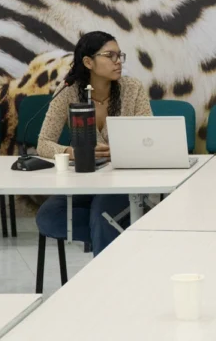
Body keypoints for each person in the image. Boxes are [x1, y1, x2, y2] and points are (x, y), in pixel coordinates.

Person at [35, 31, 152, 256]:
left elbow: (147, 138)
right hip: (85, 179)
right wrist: (73, 152)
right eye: (110, 56)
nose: (118, 62)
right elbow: (44, 143)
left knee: (102, 216)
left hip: (123, 182)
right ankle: (119, 233)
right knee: (48, 218)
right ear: (88, 61)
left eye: (120, 56)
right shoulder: (68, 91)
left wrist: (122, 150)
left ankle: (105, 282)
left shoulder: (132, 88)